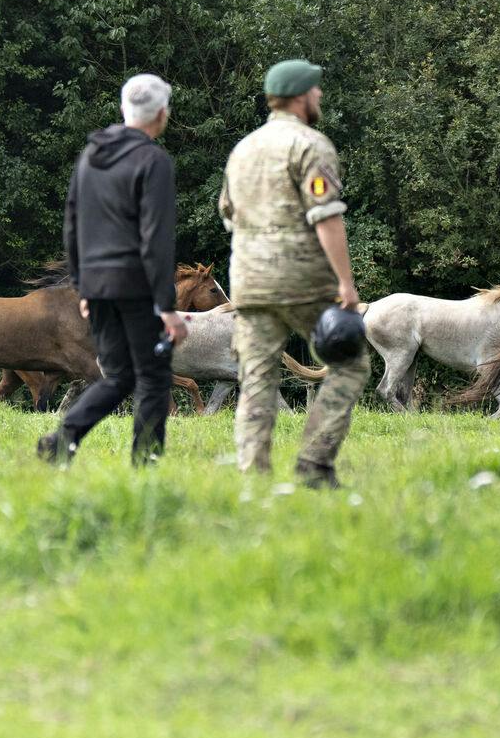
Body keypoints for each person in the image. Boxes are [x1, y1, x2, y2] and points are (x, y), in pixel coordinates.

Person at [217, 59, 369, 489]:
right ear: (301, 96)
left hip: (247, 282)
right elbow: (326, 216)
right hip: (303, 280)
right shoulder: (312, 145)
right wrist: (346, 283)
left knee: (256, 379)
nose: (320, 96)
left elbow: (228, 214)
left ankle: (254, 478)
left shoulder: (242, 149)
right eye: (317, 91)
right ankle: (314, 462)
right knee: (351, 365)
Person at [37, 73, 188, 466]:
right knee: (153, 378)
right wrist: (167, 306)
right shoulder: (153, 161)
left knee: (120, 377)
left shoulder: (90, 156)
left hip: (98, 287)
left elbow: (72, 225)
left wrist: (83, 287)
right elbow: (156, 239)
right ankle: (145, 469)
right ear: (161, 114)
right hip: (136, 286)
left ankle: (61, 441)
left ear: (124, 109)